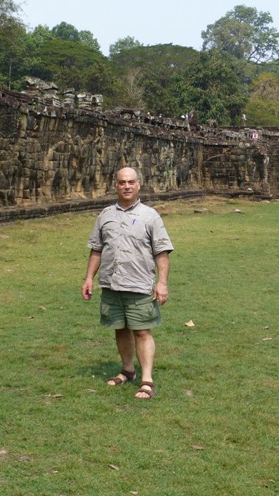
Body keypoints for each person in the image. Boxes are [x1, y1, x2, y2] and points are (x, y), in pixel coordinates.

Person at [81, 167, 173, 399]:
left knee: (142, 330)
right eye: (122, 182)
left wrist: (161, 283)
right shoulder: (105, 215)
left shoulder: (150, 216)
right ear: (116, 185)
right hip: (111, 283)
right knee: (120, 328)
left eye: (131, 182)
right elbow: (97, 249)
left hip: (139, 283)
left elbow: (161, 252)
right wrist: (89, 278)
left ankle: (147, 380)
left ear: (139, 184)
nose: (127, 186)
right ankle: (128, 370)